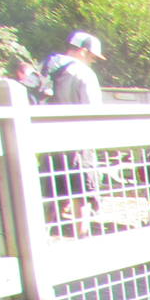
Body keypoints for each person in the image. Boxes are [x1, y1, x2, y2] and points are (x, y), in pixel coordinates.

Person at [43, 31, 105, 236]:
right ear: (83, 51)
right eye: (92, 57)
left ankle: (39, 240)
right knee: (82, 193)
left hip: (49, 142)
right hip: (78, 142)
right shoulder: (83, 73)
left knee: (53, 192)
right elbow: (92, 110)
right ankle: (83, 238)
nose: (92, 61)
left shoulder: (46, 69)